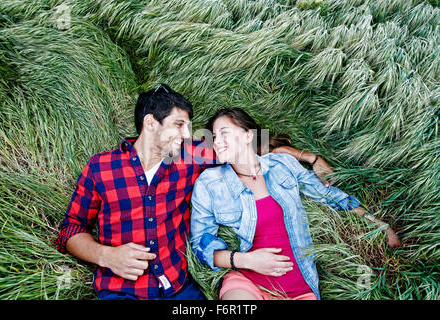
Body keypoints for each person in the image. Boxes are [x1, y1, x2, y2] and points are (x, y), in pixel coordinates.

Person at [55, 84, 336, 300]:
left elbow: (245, 147)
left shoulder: (189, 156)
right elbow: (71, 228)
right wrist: (106, 256)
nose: (187, 134)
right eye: (179, 125)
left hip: (179, 289)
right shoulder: (101, 167)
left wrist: (305, 157)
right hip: (121, 291)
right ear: (150, 123)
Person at [190, 107, 401, 300]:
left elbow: (331, 197)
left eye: (224, 133)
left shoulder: (282, 164)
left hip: (300, 290)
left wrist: (379, 224)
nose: (216, 141)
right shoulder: (209, 183)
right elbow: (201, 244)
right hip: (248, 284)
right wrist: (246, 260)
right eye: (214, 137)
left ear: (248, 135)